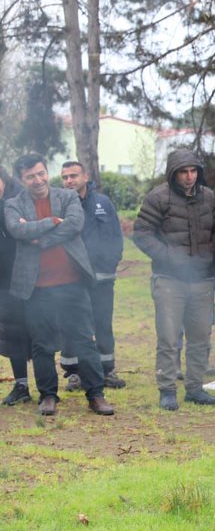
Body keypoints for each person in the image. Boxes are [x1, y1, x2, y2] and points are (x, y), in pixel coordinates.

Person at [3, 154, 113, 416]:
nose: (38, 180)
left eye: (41, 173)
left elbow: (75, 225)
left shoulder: (67, 196)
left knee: (84, 340)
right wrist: (52, 222)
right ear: (22, 179)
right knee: (41, 344)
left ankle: (96, 395)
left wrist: (39, 237)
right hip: (35, 287)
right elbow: (17, 230)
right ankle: (48, 396)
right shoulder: (12, 204)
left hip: (72, 283)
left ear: (46, 172)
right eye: (30, 176)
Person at [133, 148, 215, 411]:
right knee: (169, 338)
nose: (189, 176)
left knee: (201, 338)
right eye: (183, 171)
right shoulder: (158, 197)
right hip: (169, 279)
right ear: (173, 173)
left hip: (202, 279)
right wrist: (170, 257)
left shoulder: (208, 196)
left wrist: (209, 255)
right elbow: (141, 233)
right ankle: (167, 389)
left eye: (193, 171)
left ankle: (195, 388)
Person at [57, 161, 125, 391]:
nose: (69, 181)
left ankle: (107, 370)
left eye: (73, 175)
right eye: (65, 177)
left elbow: (116, 237)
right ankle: (74, 373)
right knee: (71, 325)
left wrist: (110, 263)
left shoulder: (103, 203)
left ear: (85, 177)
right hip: (70, 279)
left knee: (102, 324)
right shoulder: (58, 205)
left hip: (101, 278)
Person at [0, 166, 32, 406]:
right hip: (3, 283)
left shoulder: (17, 203)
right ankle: (21, 384)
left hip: (24, 278)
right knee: (11, 332)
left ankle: (47, 387)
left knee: (33, 330)